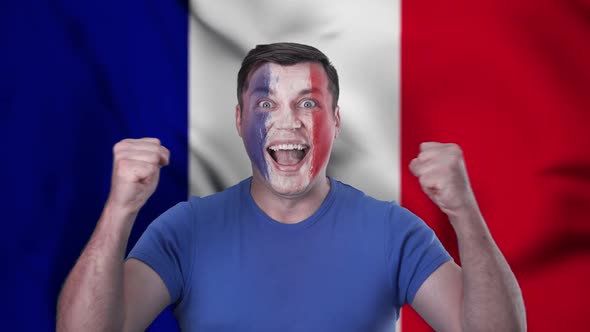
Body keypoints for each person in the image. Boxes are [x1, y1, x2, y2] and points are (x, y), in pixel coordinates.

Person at [56, 42, 526, 331]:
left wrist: (464, 211)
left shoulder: (393, 231)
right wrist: (119, 208)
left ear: (336, 122)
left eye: (307, 103)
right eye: (265, 104)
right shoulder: (186, 229)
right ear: (239, 121)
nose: (288, 122)